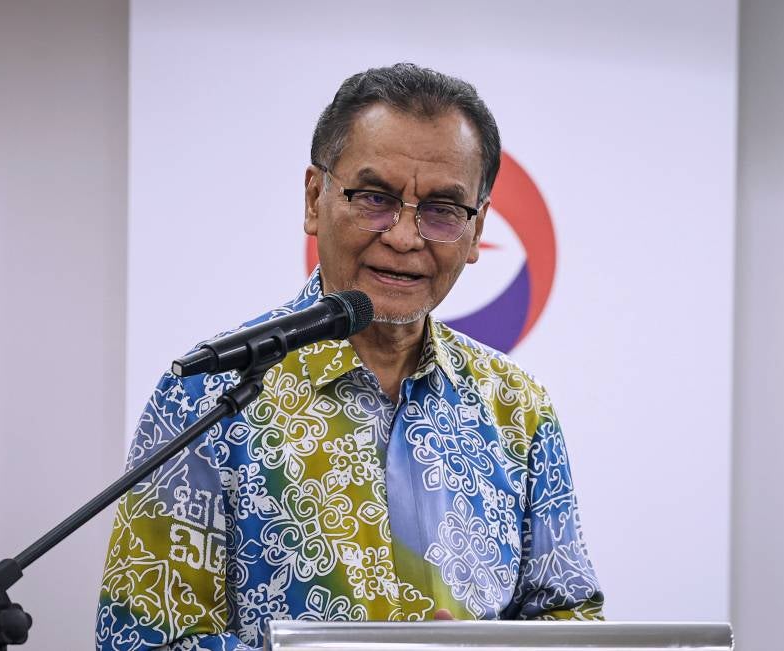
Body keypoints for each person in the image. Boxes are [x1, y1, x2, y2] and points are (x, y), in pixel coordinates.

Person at [97, 63, 603, 651]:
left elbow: (569, 617)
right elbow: (143, 637)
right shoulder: (209, 393)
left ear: (476, 230)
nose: (405, 237)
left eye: (443, 209)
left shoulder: (519, 409)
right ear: (315, 199)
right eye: (375, 198)